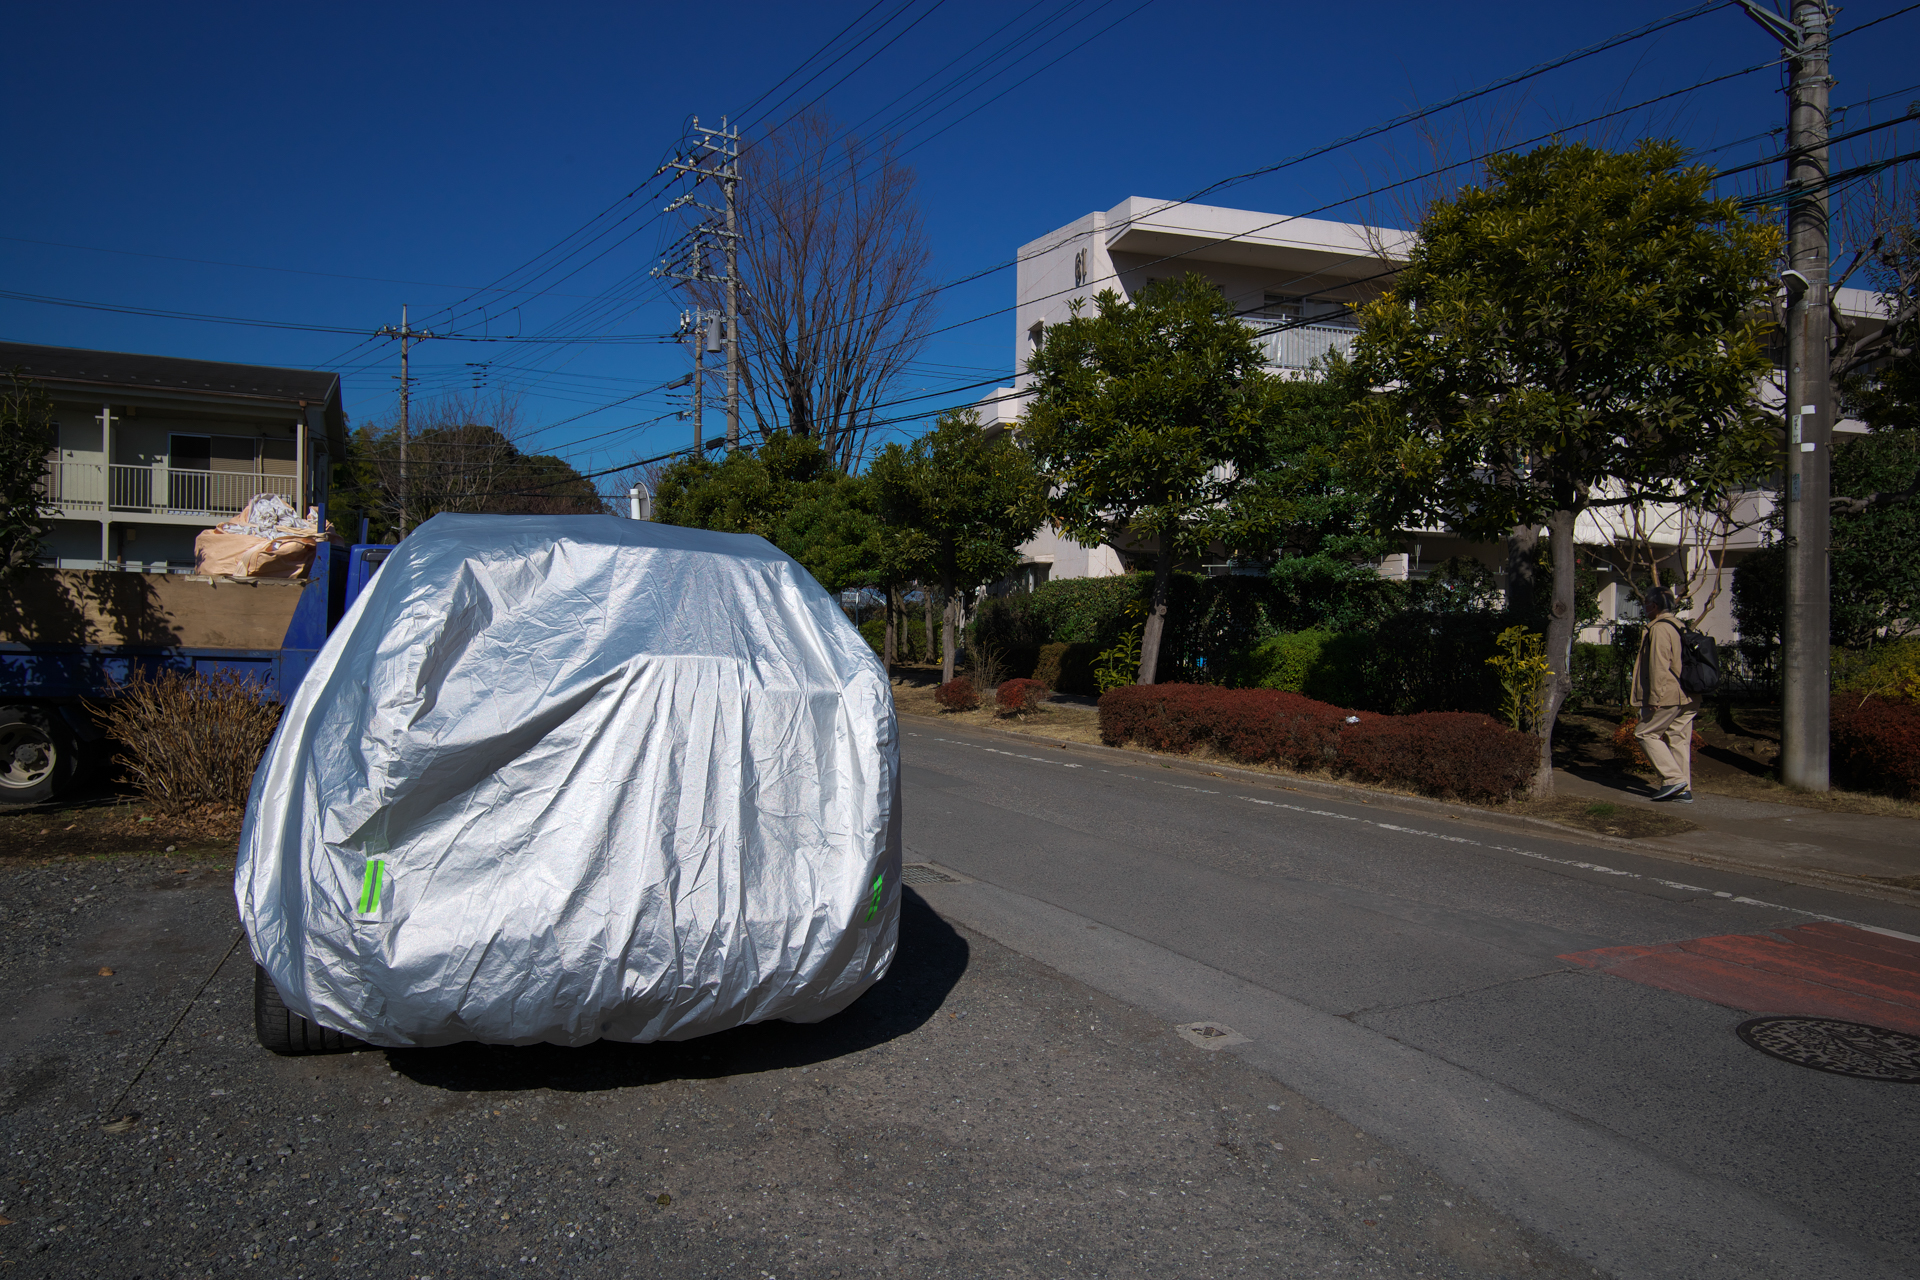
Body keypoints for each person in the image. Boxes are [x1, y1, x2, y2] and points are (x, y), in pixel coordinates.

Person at [1629, 587, 1699, 803]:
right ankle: (1683, 789)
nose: (1644, 608)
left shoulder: (1659, 628)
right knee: (1678, 738)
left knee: (1645, 733)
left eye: (1646, 604)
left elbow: (1659, 665)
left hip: (1668, 693)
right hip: (1689, 694)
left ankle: (1673, 779)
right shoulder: (1680, 625)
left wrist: (1654, 699)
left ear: (1655, 606)